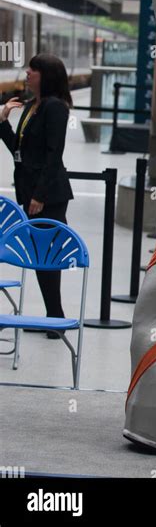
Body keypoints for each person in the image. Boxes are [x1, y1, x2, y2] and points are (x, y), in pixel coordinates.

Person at [0, 54, 74, 338]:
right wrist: (3, 122)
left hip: (48, 194)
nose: (27, 72)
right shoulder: (31, 106)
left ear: (47, 75)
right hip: (30, 190)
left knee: (48, 253)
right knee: (40, 253)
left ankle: (56, 318)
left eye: (34, 69)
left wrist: (40, 195)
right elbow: (20, 152)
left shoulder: (55, 108)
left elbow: (54, 155)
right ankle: (53, 315)